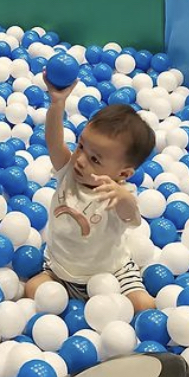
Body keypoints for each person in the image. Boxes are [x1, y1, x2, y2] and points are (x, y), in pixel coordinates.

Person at [24, 79, 157, 311]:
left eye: (95, 159)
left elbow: (130, 215)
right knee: (32, 288)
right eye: (81, 146)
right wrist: (57, 105)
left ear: (122, 174)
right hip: (61, 270)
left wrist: (123, 198)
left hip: (112, 273)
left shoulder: (118, 195)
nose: (81, 160)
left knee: (144, 305)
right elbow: (54, 142)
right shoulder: (68, 171)